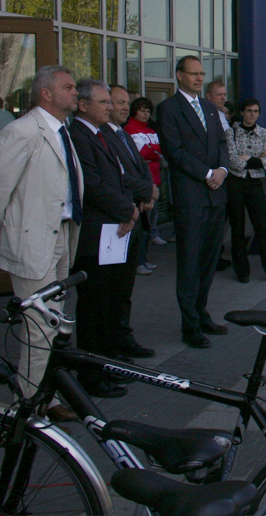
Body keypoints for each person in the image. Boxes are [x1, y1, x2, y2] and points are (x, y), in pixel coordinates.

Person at [0, 66, 83, 416]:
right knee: (39, 328)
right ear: (46, 94)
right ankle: (27, 410)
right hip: (33, 241)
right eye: (68, 87)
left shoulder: (63, 130)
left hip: (61, 236)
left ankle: (45, 398)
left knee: (53, 325)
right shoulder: (22, 131)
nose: (75, 92)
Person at [69, 79, 138, 397]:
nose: (110, 107)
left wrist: (129, 208)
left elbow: (120, 177)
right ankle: (92, 376)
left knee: (110, 302)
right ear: (83, 106)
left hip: (113, 232)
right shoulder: (78, 136)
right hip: (95, 235)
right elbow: (93, 185)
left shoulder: (100, 134)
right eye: (104, 102)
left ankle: (108, 364)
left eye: (111, 102)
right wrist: (128, 209)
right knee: (94, 308)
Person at [157, 56, 231, 348]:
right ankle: (190, 326)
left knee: (209, 262)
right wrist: (207, 173)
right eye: (193, 73)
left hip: (216, 196)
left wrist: (222, 170)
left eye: (202, 73)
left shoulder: (210, 108)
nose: (199, 78)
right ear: (179, 75)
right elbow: (174, 151)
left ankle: (201, 314)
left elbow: (222, 143)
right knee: (189, 263)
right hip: (191, 197)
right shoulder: (169, 109)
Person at [104, 84, 158, 359]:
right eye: (119, 102)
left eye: (127, 102)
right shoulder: (102, 135)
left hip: (135, 217)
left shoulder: (122, 134)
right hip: (116, 222)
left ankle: (123, 337)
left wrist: (148, 190)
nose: (125, 107)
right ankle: (111, 346)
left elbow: (140, 168)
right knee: (110, 292)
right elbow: (116, 176)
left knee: (125, 289)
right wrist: (146, 191)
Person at [226, 99, 266, 284]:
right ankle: (242, 271)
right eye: (249, 110)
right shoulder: (231, 132)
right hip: (235, 183)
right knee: (238, 228)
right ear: (242, 112)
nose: (252, 114)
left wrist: (248, 158)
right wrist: (257, 160)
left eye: (256, 111)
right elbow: (233, 160)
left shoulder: (264, 133)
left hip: (255, 184)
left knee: (262, 227)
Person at [126, 97, 167, 265]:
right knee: (143, 223)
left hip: (156, 180)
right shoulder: (129, 129)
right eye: (142, 110)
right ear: (134, 111)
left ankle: (144, 257)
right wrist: (155, 153)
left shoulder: (151, 131)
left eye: (148, 111)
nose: (145, 114)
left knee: (151, 220)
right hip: (142, 182)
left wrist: (154, 152)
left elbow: (159, 150)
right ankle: (138, 261)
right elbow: (142, 153)